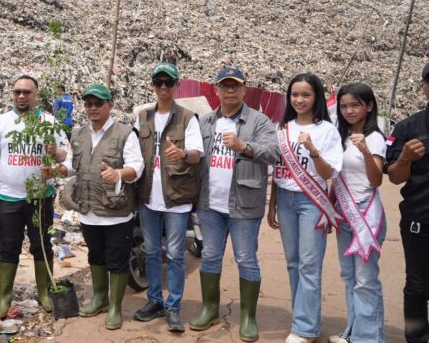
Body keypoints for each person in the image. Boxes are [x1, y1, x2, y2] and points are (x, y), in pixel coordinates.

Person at [189, 67, 277, 342]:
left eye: (235, 86)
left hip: (244, 205)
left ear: (243, 90)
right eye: (224, 86)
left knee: (246, 259)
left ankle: (248, 317)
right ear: (216, 90)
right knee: (210, 256)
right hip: (210, 204)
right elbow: (194, 153)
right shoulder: (205, 121)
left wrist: (245, 146)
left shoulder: (259, 121)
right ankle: (210, 309)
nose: (230, 91)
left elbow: (273, 152)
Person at [0, 75, 68, 318]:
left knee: (42, 245)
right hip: (8, 198)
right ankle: (4, 298)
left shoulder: (48, 122)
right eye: (17, 91)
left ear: (35, 94)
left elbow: (64, 155)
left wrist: (55, 152)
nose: (21, 96)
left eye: (27, 92)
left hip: (41, 196)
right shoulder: (1, 122)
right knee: (9, 247)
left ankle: (45, 293)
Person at [58, 83, 143, 330]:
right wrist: (58, 169)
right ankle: (100, 299)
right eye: (89, 104)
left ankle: (115, 307)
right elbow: (74, 166)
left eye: (98, 103)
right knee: (95, 256)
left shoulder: (125, 133)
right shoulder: (78, 133)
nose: (93, 108)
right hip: (88, 210)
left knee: (116, 259)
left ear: (110, 105)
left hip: (115, 211)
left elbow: (137, 167)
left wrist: (118, 174)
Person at [267, 73, 343, 343]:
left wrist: (312, 149)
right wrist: (272, 204)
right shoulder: (282, 128)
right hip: (285, 200)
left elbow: (327, 173)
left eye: (306, 95)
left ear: (316, 97)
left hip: (312, 202)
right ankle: (302, 319)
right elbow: (278, 169)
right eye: (295, 94)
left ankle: (304, 328)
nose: (299, 100)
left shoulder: (326, 130)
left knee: (309, 265)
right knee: (293, 263)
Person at [132, 62, 203, 333]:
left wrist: (183, 153)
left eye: (168, 82)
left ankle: (173, 306)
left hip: (177, 197)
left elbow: (197, 154)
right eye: (159, 82)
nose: (163, 87)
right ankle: (154, 301)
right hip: (148, 197)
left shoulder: (187, 118)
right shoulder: (142, 117)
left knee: (174, 255)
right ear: (153, 85)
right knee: (151, 252)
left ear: (176, 86)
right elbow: (133, 152)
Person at [328, 82, 387, 343]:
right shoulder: (340, 137)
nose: (349, 110)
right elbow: (337, 177)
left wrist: (364, 151)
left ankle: (370, 338)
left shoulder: (374, 138)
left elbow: (376, 180)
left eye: (355, 105)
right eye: (344, 106)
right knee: (349, 277)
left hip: (365, 214)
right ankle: (353, 331)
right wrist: (330, 209)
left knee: (366, 279)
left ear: (369, 106)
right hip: (343, 214)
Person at [385, 62, 429, 343]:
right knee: (417, 285)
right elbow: (394, 178)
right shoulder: (408, 127)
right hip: (419, 220)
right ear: (424, 86)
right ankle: (417, 338)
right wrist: (404, 159)